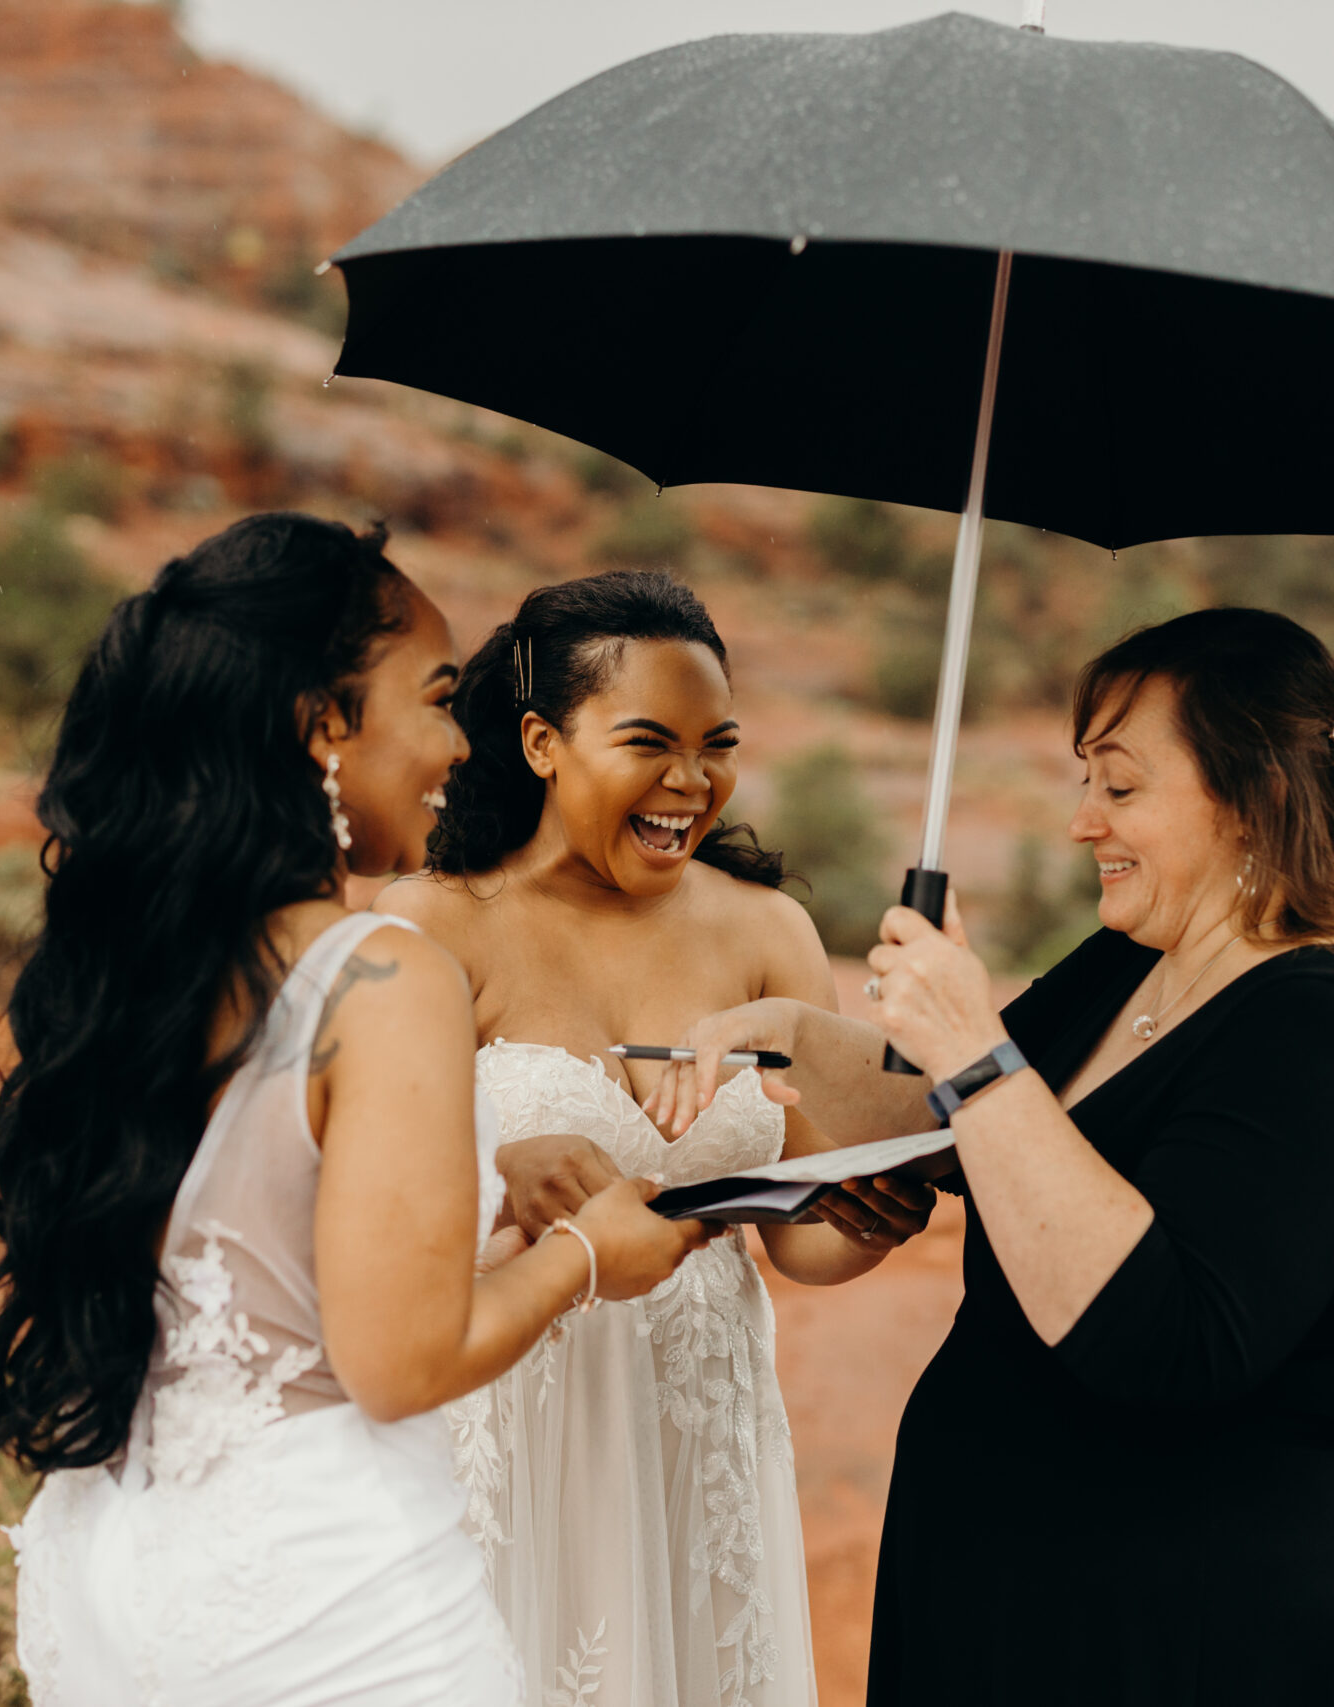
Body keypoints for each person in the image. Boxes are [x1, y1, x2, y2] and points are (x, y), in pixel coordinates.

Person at [0, 515, 713, 1707]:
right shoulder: (378, 974)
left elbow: (261, 1271)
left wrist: (492, 1244)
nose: (459, 744)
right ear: (323, 725)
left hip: (111, 1582)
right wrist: (583, 1255)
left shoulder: (138, 974)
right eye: (433, 697)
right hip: (324, 1606)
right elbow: (398, 1364)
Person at [650, 607, 1334, 1704]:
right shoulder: (1123, 964)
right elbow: (943, 1121)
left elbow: (1167, 1339)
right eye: (1084, 782)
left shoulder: (1320, 1030)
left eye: (1120, 787)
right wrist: (783, 1035)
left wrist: (974, 1045)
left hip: (1186, 1633)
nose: (1084, 823)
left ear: (1255, 796)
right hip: (999, 1596)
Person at [379, 568, 934, 1707]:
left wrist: (876, 1213)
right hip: (511, 1421)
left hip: (700, 1434)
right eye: (649, 742)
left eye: (716, 744)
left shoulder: (768, 932)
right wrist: (496, 1171)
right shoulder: (431, 925)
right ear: (541, 742)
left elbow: (801, 1244)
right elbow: (364, 1200)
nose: (693, 781)